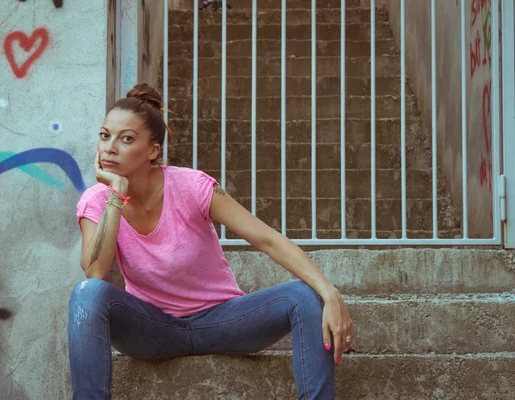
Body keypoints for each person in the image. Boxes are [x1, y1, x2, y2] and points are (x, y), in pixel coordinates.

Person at [68, 83, 354, 399]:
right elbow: (95, 272)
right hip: (152, 329)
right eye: (105, 135)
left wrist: (328, 292)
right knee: (87, 293)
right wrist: (116, 195)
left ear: (153, 150)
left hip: (223, 321)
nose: (109, 148)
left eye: (126, 139)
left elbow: (267, 239)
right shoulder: (97, 201)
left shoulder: (192, 186)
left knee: (304, 295)